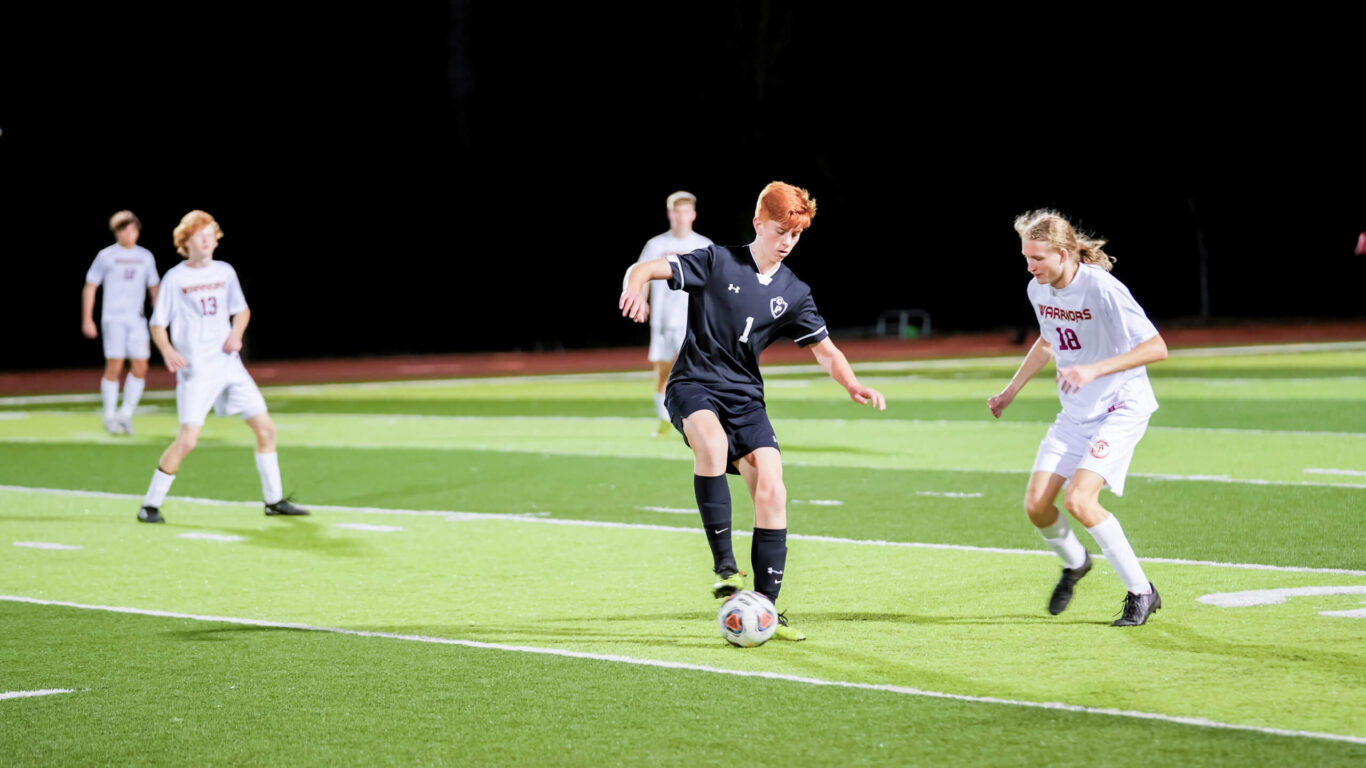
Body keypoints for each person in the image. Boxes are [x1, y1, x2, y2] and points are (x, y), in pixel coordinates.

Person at [619, 181, 886, 641]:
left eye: (796, 235)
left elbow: (825, 350)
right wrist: (636, 289)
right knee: (712, 442)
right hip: (694, 384)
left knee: (773, 488)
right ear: (759, 223)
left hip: (745, 397)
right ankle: (726, 566)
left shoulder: (794, 290)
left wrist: (852, 382)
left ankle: (765, 607)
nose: (787, 241)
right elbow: (642, 268)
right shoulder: (716, 260)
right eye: (780, 230)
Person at [987, 209, 1166, 627]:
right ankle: (1075, 562)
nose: (1030, 267)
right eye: (1026, 258)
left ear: (1065, 254)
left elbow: (1157, 348)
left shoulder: (1101, 287)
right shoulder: (1039, 289)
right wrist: (1010, 392)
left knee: (1080, 500)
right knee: (1036, 506)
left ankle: (1142, 592)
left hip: (1121, 406)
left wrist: (1093, 369)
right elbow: (1048, 343)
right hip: (1077, 412)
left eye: (1038, 259)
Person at [137, 210, 307, 523]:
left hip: (230, 365)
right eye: (201, 235)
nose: (209, 240)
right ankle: (150, 504)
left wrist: (236, 334)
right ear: (186, 241)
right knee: (188, 440)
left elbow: (241, 311)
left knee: (266, 429)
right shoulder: (175, 278)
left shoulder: (225, 271)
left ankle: (274, 500)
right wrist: (168, 351)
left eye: (211, 234)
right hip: (198, 369)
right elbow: (158, 324)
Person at [636, 191, 713, 436]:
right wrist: (641, 299)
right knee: (663, 372)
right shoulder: (656, 245)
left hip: (691, 321)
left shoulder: (703, 245)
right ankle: (663, 421)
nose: (681, 216)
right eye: (676, 211)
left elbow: (715, 282)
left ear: (693, 214)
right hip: (662, 320)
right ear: (670, 214)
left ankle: (699, 421)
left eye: (685, 211)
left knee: (695, 372)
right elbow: (642, 274)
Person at [82, 210, 160, 435]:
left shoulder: (145, 256)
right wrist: (88, 319)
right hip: (113, 319)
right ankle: (109, 416)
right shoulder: (106, 256)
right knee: (114, 366)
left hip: (136, 320)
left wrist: (160, 311)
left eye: (134, 229)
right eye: (125, 229)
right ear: (116, 231)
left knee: (141, 366)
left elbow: (154, 287)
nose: (130, 234)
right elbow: (90, 287)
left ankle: (125, 415)